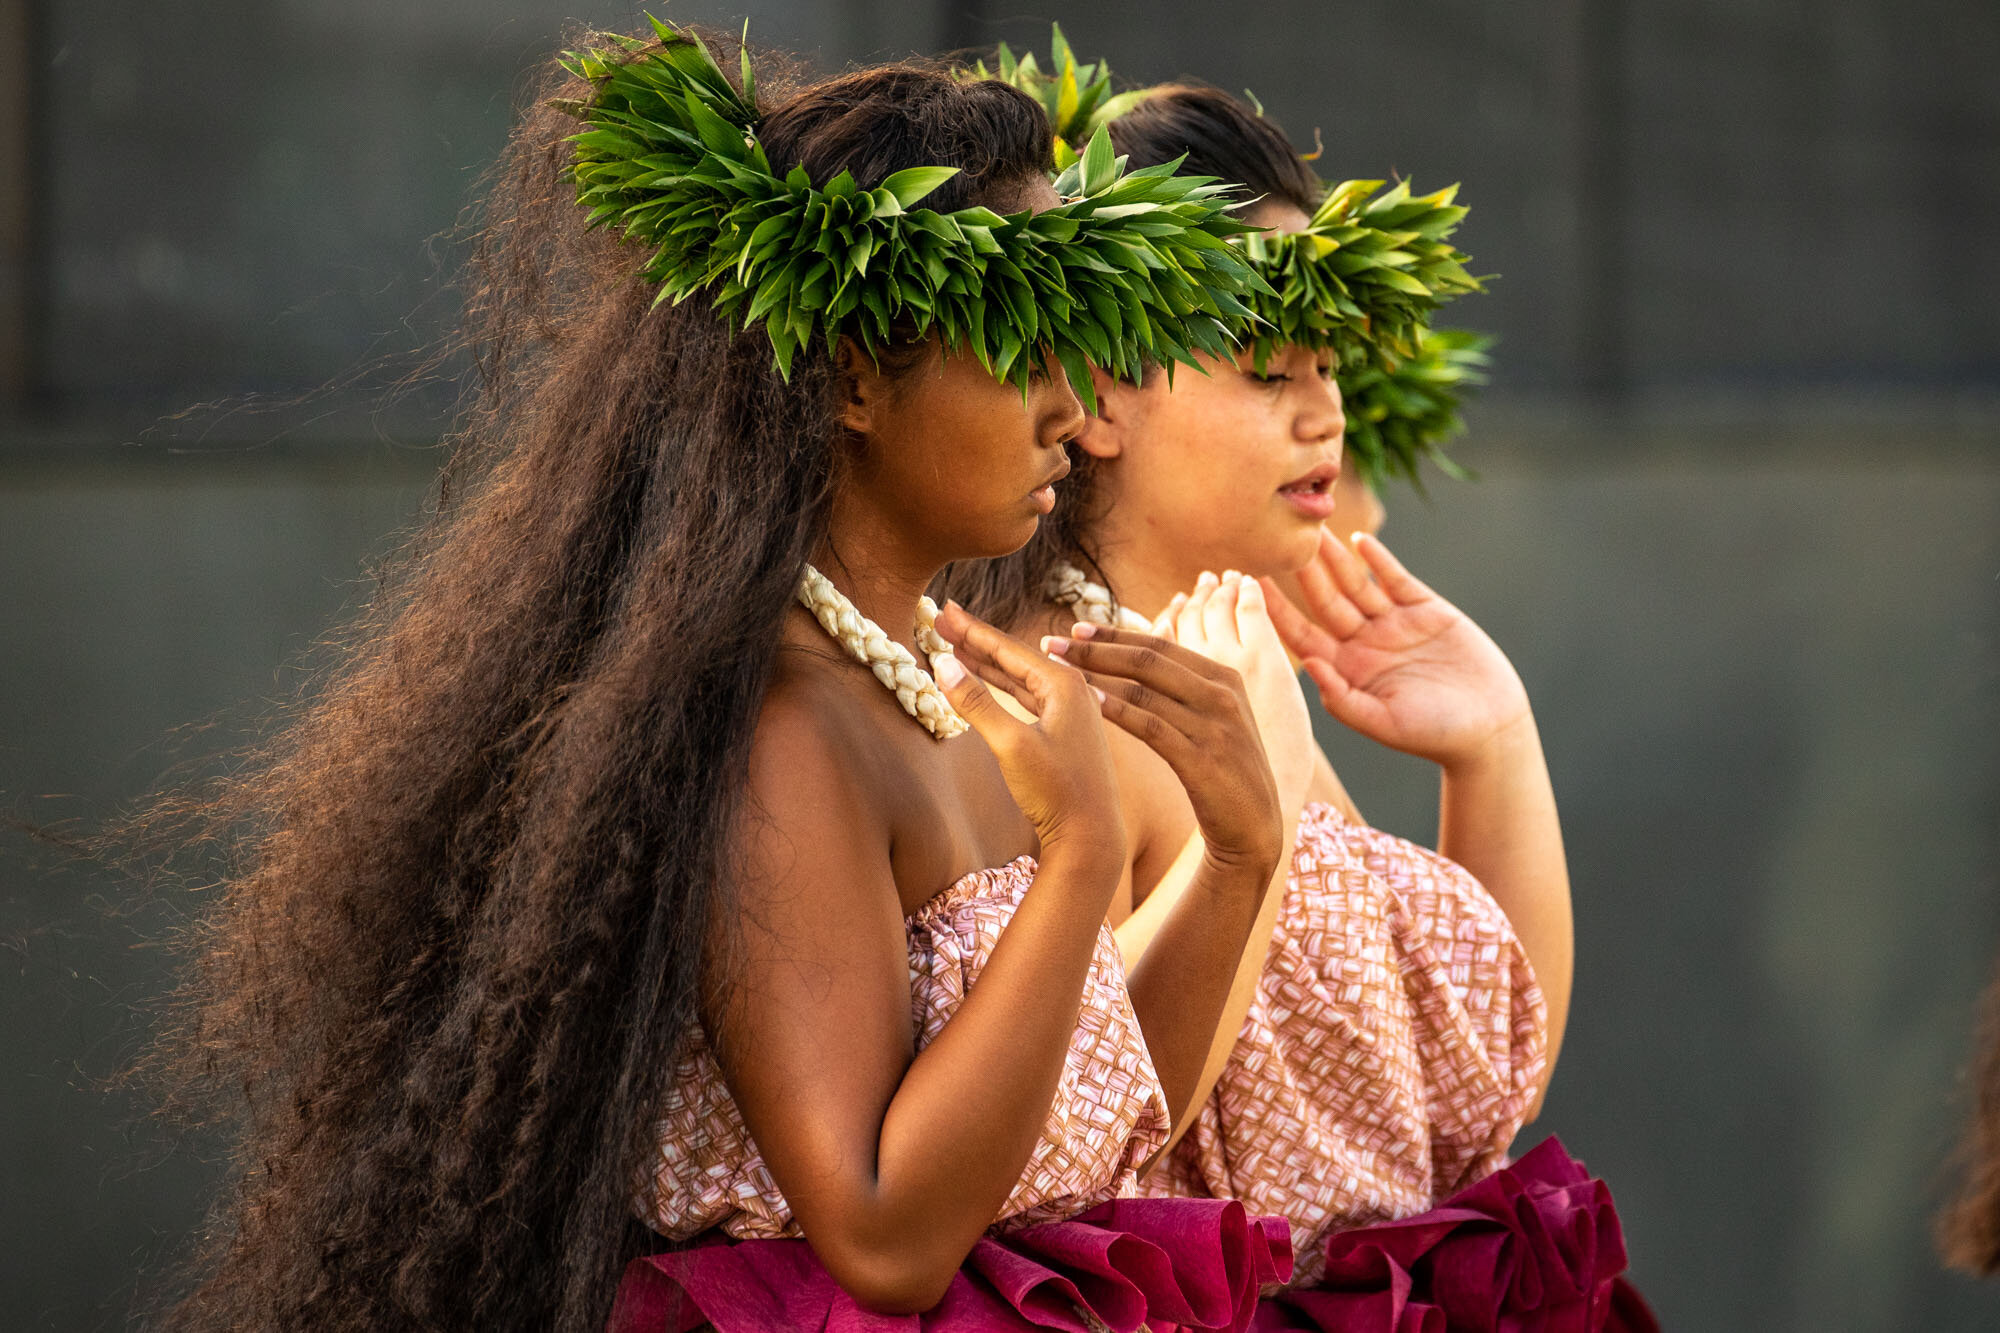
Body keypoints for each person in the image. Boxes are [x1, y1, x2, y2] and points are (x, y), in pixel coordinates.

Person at [138, 22, 1308, 1332]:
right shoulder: (783, 734)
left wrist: (1236, 856)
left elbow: (1091, 1110)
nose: (1072, 400)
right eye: (1028, 341)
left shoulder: (930, 680)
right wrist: (1083, 852)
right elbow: (879, 1232)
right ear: (856, 376)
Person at [946, 45, 1655, 1330]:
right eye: (1269, 370)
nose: (1324, 415)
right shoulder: (1062, 702)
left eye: (1330, 368)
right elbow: (1072, 1149)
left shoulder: (1225, 656)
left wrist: (1490, 743)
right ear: (1095, 393)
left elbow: (1477, 1087)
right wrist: (1244, 826)